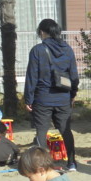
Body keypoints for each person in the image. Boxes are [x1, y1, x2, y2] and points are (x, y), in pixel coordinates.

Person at [24, 19, 79, 172]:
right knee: (65, 130)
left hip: (42, 98)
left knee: (41, 132)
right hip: (63, 97)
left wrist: (28, 99)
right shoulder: (68, 49)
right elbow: (74, 76)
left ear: (42, 32)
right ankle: (72, 163)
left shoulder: (37, 50)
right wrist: (72, 94)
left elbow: (32, 77)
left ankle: (42, 166)